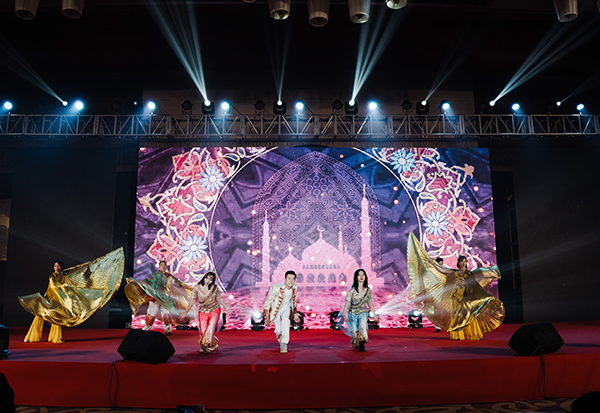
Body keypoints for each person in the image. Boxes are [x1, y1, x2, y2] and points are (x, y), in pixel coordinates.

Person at [406, 232, 505, 340]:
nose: (463, 263)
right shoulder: (454, 272)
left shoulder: (469, 274)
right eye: (462, 262)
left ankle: (474, 334)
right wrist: (432, 263)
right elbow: (442, 270)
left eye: (465, 261)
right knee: (456, 318)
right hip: (455, 299)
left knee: (470, 316)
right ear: (458, 263)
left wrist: (490, 274)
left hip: (466, 299)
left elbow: (475, 285)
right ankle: (457, 335)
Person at [20, 248, 124, 343]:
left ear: (61, 267)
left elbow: (75, 270)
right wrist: (65, 287)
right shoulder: (52, 276)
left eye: (58, 266)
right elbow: (54, 286)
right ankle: (30, 337)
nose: (56, 268)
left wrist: (87, 265)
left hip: (59, 299)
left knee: (57, 318)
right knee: (39, 316)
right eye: (55, 266)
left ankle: (55, 338)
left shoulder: (63, 274)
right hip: (50, 298)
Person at [125, 260, 192, 335]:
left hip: (165, 298)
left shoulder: (169, 276)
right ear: (159, 267)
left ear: (166, 267)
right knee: (151, 314)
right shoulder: (156, 275)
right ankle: (145, 329)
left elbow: (174, 285)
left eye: (164, 265)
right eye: (161, 265)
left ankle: (168, 330)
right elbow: (151, 283)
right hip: (155, 298)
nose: (163, 266)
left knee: (166, 315)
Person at [179, 271, 231, 353]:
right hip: (202, 311)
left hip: (214, 310)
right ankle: (211, 343)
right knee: (203, 331)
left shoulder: (214, 288)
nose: (208, 281)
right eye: (207, 278)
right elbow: (192, 301)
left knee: (210, 329)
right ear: (204, 278)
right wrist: (185, 312)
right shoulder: (197, 288)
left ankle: (205, 346)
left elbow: (219, 298)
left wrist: (226, 307)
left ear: (213, 281)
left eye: (210, 279)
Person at [340, 268, 379, 352]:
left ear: (365, 277)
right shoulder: (352, 290)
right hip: (352, 313)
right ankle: (356, 342)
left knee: (363, 328)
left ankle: (362, 344)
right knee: (354, 332)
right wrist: (344, 314)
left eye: (363, 275)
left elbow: (370, 303)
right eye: (359, 275)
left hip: (363, 313)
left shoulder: (368, 290)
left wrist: (374, 315)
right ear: (356, 277)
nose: (361, 277)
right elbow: (347, 303)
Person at [263, 270, 300, 353]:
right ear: (285, 279)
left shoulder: (295, 287)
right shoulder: (275, 288)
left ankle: (284, 343)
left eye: (293, 279)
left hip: (286, 308)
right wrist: (267, 315)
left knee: (286, 320)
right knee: (278, 329)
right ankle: (279, 335)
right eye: (289, 278)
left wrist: (295, 312)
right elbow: (268, 301)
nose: (291, 281)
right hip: (276, 309)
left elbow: (293, 300)